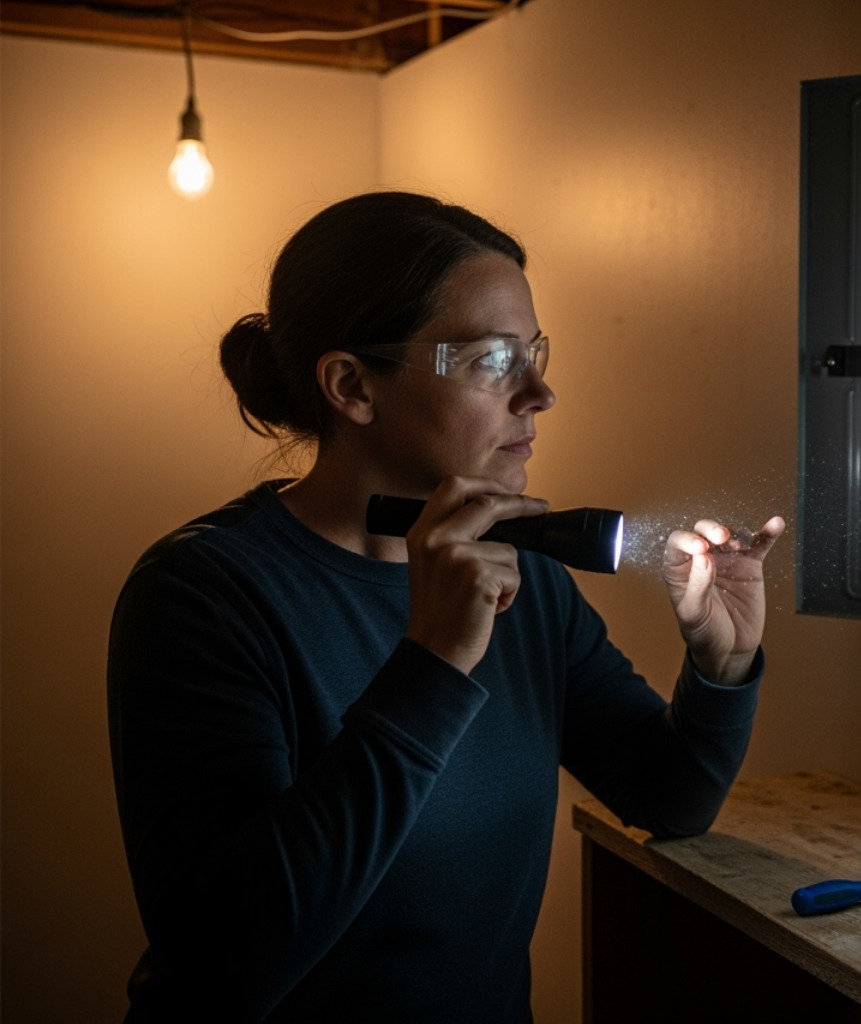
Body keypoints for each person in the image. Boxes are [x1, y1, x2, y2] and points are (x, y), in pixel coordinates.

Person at [107, 191, 785, 1021]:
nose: (540, 392)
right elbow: (225, 964)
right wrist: (430, 664)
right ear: (352, 386)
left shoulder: (525, 579)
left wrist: (721, 666)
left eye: (533, 351)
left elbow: (667, 799)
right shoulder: (204, 595)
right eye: (492, 361)